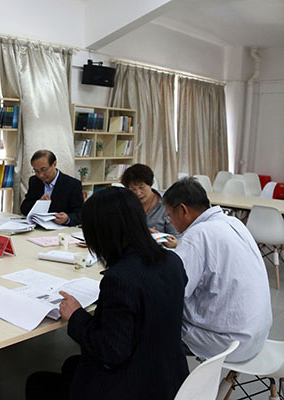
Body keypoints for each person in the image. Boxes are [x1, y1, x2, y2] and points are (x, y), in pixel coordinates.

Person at [26, 187, 189, 400]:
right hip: (169, 378)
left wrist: (76, 315)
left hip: (133, 387)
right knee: (71, 365)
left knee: (37, 382)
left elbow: (111, 351)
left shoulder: (120, 278)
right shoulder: (172, 260)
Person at [163, 177, 272, 362]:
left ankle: (167, 378)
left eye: (169, 215)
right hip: (257, 335)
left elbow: (175, 292)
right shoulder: (234, 223)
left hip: (227, 342)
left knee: (152, 319)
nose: (170, 222)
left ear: (183, 210)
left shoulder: (197, 236)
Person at [20, 150, 83, 226]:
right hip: (38, 227)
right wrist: (39, 203)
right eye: (36, 171)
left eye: (43, 170)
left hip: (61, 228)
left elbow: (80, 213)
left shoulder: (72, 184)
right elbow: (24, 208)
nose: (40, 175)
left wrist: (67, 218)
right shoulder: (34, 181)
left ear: (54, 164)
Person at [121, 163, 179, 245]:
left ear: (150, 184)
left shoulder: (167, 204)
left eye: (142, 187)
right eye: (133, 189)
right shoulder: (125, 204)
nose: (138, 193)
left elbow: (176, 236)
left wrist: (172, 242)